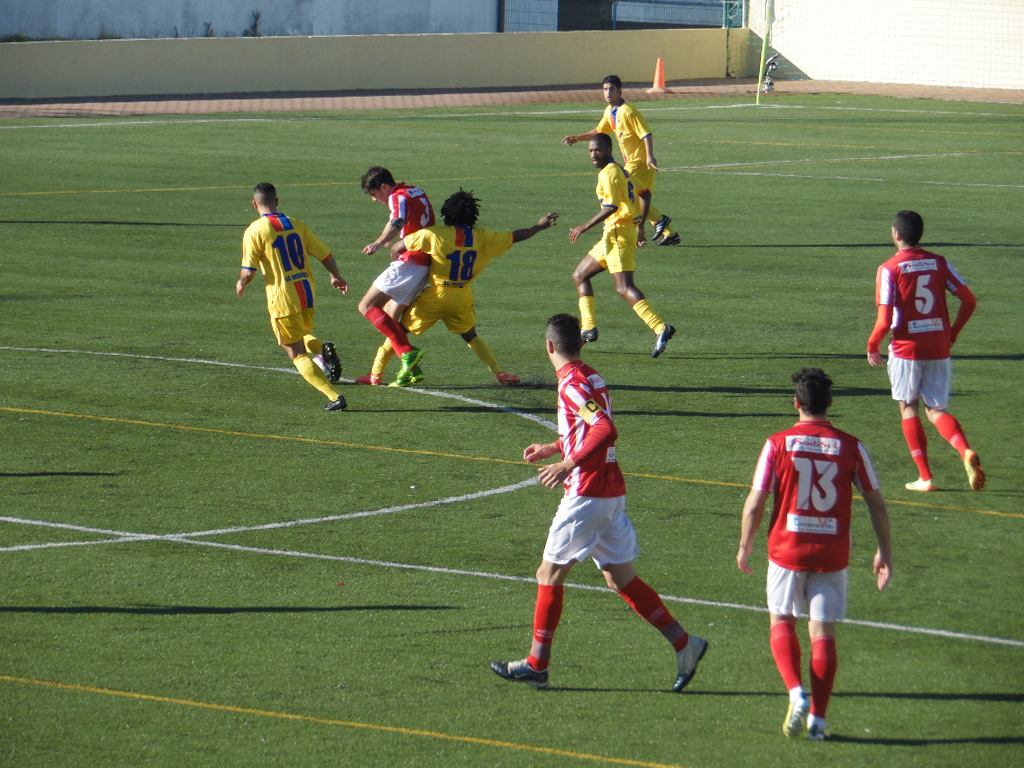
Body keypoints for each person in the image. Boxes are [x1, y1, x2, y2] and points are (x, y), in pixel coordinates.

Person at [490, 313, 707, 690]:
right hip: (610, 491)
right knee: (620, 578)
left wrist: (566, 463)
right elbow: (588, 425)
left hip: (587, 492)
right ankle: (685, 644)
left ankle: (537, 665)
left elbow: (605, 429)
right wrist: (554, 446)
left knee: (548, 574)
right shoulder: (592, 376)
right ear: (581, 343)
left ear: (549, 346)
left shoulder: (572, 384)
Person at [737, 368, 893, 742]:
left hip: (787, 549)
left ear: (796, 403)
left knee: (782, 620)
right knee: (823, 633)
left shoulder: (777, 443)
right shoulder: (851, 446)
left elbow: (755, 503)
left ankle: (796, 692)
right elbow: (877, 503)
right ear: (830, 403)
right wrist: (885, 551)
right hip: (832, 552)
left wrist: (745, 544)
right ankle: (819, 721)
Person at [379, 190, 559, 387]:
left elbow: (397, 248)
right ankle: (500, 372)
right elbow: (516, 236)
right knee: (470, 335)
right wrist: (539, 226)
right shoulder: (484, 237)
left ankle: (375, 375)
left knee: (398, 332)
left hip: (436, 296)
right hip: (462, 296)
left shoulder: (433, 234)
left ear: (447, 213)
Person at [867, 210, 984, 492]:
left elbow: (884, 321)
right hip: (938, 346)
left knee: (909, 407)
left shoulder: (889, 268)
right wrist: (952, 333)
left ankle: (926, 477)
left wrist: (872, 345)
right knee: (936, 410)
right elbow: (969, 301)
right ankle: (965, 450)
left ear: (896, 234)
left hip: (906, 348)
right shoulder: (939, 262)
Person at [236, 182, 348, 411]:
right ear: (277, 201)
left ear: (254, 204)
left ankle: (334, 396)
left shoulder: (255, 231)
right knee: (300, 334)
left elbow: (248, 272)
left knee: (296, 353)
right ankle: (323, 350)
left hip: (283, 297)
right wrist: (335, 276)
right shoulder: (297, 225)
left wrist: (241, 283)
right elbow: (325, 254)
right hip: (306, 292)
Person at [569, 132, 675, 358]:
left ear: (609, 150)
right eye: (590, 151)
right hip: (612, 235)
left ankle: (660, 327)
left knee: (624, 287)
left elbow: (612, 207)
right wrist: (640, 225)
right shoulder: (621, 170)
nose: (593, 154)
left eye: (597, 150)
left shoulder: (609, 173)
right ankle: (588, 328)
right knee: (580, 275)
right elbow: (645, 194)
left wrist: (584, 227)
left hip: (617, 235)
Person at [563, 74, 680, 247]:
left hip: (639, 162)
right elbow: (599, 131)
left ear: (619, 91)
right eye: (605, 89)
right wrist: (578, 138)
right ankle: (670, 233)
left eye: (611, 89)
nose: (608, 93)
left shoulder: (628, 111)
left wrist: (650, 156)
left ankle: (660, 220)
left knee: (628, 196)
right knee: (639, 197)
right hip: (633, 162)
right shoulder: (609, 111)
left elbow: (646, 133)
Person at [355, 167, 435, 387]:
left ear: (384, 187)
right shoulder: (415, 190)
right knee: (389, 318)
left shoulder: (397, 196)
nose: (374, 199)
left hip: (411, 262)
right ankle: (401, 370)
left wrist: (379, 242)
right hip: (424, 265)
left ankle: (408, 353)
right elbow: (399, 218)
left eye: (374, 194)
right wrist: (389, 236)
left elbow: (398, 219)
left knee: (366, 305)